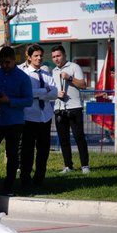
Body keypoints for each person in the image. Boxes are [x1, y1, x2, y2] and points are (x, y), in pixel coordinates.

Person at [0, 46, 33, 196]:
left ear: (14, 61)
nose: (5, 65)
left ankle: (9, 186)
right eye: (2, 62)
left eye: (8, 62)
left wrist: (9, 100)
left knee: (12, 155)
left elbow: (28, 100)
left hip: (14, 122)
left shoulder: (23, 77)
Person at [18, 44, 57, 189]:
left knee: (43, 151)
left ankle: (39, 178)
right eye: (36, 56)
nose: (39, 58)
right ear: (29, 57)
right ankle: (25, 179)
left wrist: (39, 92)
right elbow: (27, 94)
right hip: (29, 117)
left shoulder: (47, 74)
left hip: (45, 117)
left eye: (41, 55)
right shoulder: (24, 74)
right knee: (27, 151)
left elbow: (54, 94)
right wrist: (44, 90)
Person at [50, 45, 90, 174]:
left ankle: (85, 165)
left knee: (79, 137)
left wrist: (70, 78)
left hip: (74, 108)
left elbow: (83, 85)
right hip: (59, 108)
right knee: (63, 139)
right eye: (54, 57)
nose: (56, 59)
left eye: (58, 56)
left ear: (64, 55)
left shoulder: (74, 67)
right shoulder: (53, 71)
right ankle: (68, 166)